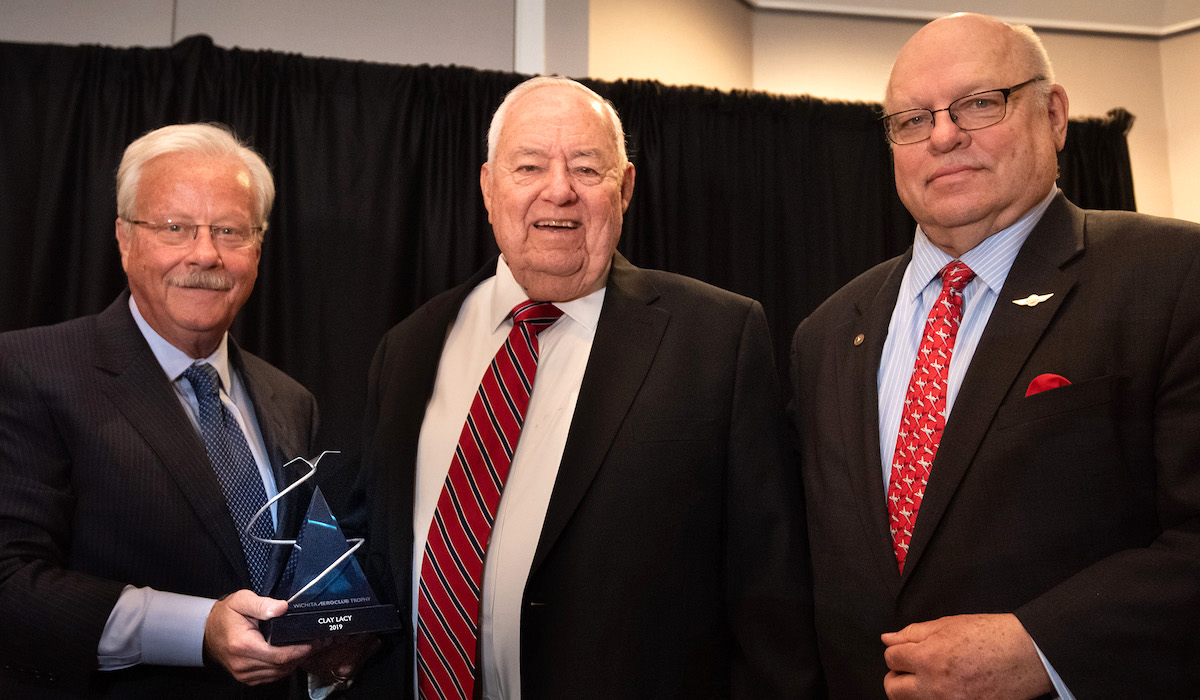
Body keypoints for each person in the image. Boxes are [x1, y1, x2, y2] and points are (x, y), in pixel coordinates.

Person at [353, 76, 819, 699]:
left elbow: (770, 600)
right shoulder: (408, 348)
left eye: (586, 168)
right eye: (529, 166)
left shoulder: (717, 339)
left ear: (624, 188)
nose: (559, 190)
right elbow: (373, 553)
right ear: (488, 188)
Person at [791, 12, 1200, 699]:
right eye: (912, 120)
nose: (944, 136)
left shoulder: (1173, 275)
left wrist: (1046, 649)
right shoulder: (827, 333)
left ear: (1055, 114)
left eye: (979, 103)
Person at [0, 123, 326, 697]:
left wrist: (335, 644)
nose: (205, 253)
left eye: (229, 230)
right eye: (175, 227)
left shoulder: (291, 400)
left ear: (258, 247)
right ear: (125, 239)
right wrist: (200, 629)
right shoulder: (29, 370)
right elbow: (11, 584)